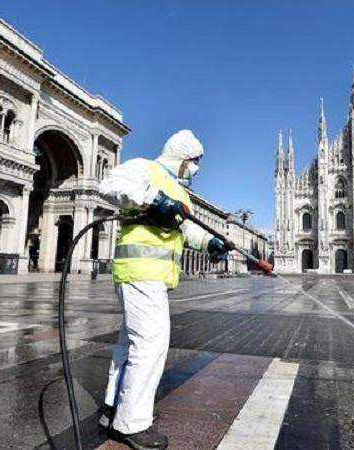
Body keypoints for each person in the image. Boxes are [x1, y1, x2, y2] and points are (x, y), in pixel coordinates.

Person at [96, 129, 230, 450]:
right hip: (140, 271)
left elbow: (185, 227)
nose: (196, 168)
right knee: (151, 343)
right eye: (194, 162)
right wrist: (152, 198)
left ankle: (112, 408)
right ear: (181, 159)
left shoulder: (178, 191)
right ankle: (133, 422)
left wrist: (209, 242)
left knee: (129, 345)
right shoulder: (146, 168)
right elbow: (109, 186)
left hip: (153, 275)